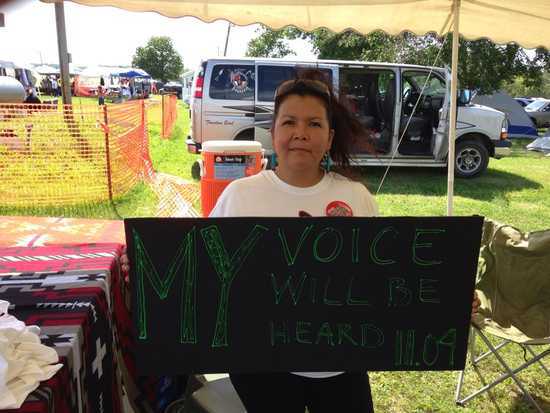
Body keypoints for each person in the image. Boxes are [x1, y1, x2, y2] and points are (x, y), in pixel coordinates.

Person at [120, 70, 482, 413]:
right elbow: (203, 274)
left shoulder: (356, 197)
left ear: (329, 136)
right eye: (289, 122)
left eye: (314, 124)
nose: (301, 133)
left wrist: (447, 302)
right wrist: (147, 273)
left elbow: (390, 281)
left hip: (344, 364)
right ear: (273, 131)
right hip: (261, 364)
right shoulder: (240, 196)